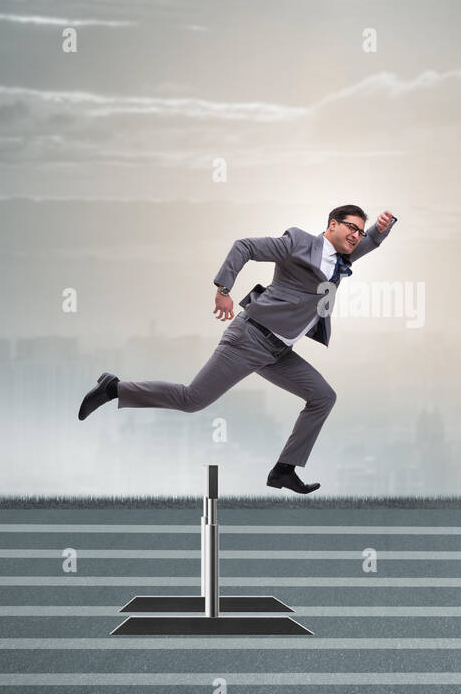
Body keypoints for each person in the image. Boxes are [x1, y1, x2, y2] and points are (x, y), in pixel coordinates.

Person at [79, 205, 398, 493]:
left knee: (323, 396)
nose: (356, 235)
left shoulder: (341, 260)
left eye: (359, 230)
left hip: (279, 353)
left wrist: (382, 228)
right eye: (350, 227)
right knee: (193, 400)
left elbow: (369, 242)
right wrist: (223, 289)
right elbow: (244, 246)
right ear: (332, 225)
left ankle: (284, 470)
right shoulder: (299, 243)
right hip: (250, 338)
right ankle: (114, 389)